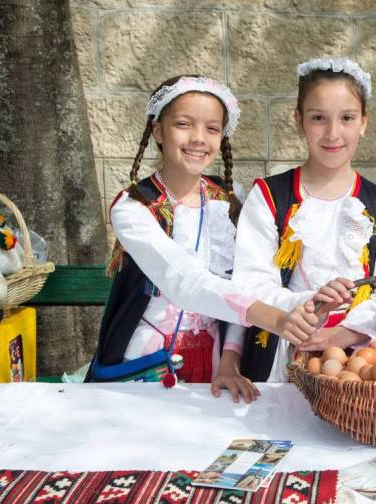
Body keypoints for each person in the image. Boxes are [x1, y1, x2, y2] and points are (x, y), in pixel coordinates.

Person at [90, 75, 322, 401]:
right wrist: (272, 317)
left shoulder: (229, 199)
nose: (199, 138)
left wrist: (230, 359)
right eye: (184, 124)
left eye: (212, 128)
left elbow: (242, 280)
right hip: (143, 364)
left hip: (216, 362)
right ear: (158, 131)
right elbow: (182, 279)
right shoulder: (134, 207)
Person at [232, 58, 376, 382]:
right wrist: (310, 303)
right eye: (318, 118)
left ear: (364, 122)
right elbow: (250, 285)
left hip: (359, 360)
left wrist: (342, 336)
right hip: (284, 351)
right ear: (299, 121)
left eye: (347, 118)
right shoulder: (270, 196)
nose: (333, 133)